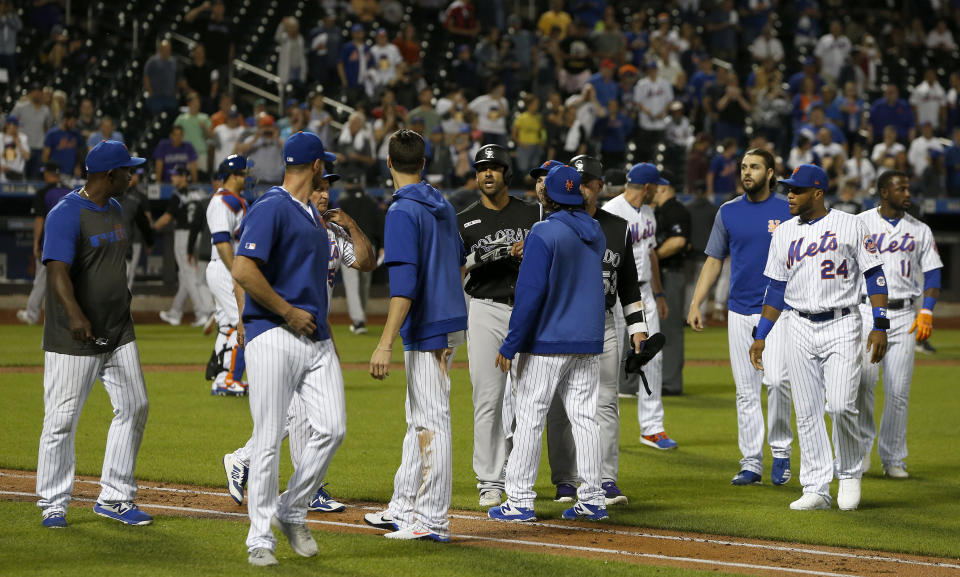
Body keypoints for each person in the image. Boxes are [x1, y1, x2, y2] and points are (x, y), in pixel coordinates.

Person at [222, 164, 374, 516]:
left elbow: (366, 263)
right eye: (320, 187)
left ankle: (255, 464)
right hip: (276, 327)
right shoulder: (282, 217)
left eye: (328, 189)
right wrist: (245, 321)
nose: (325, 194)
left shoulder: (332, 230)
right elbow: (243, 273)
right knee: (297, 414)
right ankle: (295, 490)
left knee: (309, 415)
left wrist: (350, 224)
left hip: (313, 329)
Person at [232, 132, 345, 566]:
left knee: (332, 428)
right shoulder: (272, 206)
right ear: (315, 165)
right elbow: (243, 268)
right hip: (275, 334)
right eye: (325, 165)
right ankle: (260, 538)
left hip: (315, 340)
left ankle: (291, 507)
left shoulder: (311, 215)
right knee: (266, 440)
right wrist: (285, 311)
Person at [749, 164, 889, 511]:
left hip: (842, 322)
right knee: (808, 410)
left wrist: (881, 323)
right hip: (798, 324)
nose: (789, 196)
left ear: (818, 192)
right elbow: (776, 289)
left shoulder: (851, 225)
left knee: (841, 404)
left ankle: (850, 473)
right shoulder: (783, 233)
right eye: (788, 189)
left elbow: (874, 274)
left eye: (796, 190)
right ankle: (816, 486)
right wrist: (761, 335)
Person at [36, 140, 152, 529]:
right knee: (61, 420)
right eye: (127, 170)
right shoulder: (66, 213)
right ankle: (53, 502)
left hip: (118, 330)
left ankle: (115, 497)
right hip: (76, 337)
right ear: (108, 175)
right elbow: (56, 272)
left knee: (134, 406)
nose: (132, 175)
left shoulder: (117, 208)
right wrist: (74, 315)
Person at [487, 163, 608, 522]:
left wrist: (510, 344)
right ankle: (593, 497)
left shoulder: (543, 232)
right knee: (585, 419)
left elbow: (530, 294)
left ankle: (520, 499)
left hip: (547, 340)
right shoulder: (596, 230)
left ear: (549, 195)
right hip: (587, 340)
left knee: (529, 418)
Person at [364, 129, 468, 542]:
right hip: (450, 320)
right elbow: (460, 256)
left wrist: (385, 342)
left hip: (428, 327)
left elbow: (403, 287)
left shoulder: (401, 211)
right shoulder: (441, 202)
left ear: (388, 163)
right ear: (423, 164)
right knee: (419, 418)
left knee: (430, 422)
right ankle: (404, 506)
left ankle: (432, 520)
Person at [545, 155, 648, 507]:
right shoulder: (553, 224)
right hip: (557, 321)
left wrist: (638, 329)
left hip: (602, 322)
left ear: (599, 186)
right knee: (559, 406)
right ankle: (565, 481)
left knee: (605, 402)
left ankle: (605, 480)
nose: (579, 186)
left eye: (586, 181)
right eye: (575, 180)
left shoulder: (617, 228)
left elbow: (629, 285)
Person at [687, 148, 794, 485]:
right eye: (744, 167)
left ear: (772, 173)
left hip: (780, 311)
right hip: (739, 310)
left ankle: (780, 451)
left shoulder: (788, 209)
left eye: (755, 167)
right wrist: (696, 303)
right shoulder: (728, 212)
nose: (747, 173)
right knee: (746, 391)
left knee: (777, 381)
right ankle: (751, 463)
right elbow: (714, 260)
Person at [457, 145, 540, 507]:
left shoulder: (533, 211)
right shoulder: (465, 219)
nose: (487, 173)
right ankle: (490, 479)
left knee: (531, 400)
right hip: (486, 309)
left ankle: (520, 475)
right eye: (481, 169)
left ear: (507, 172)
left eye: (494, 167)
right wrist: (494, 253)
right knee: (488, 398)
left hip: (529, 310)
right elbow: (456, 268)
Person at [853, 170, 943, 479]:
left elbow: (932, 275)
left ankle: (892, 457)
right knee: (863, 383)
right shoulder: (861, 223)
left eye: (908, 187)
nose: (908, 193)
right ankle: (863, 449)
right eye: (900, 188)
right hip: (866, 312)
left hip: (905, 315)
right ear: (883, 192)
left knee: (899, 391)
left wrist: (927, 311)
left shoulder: (920, 230)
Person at [603, 163, 676, 450]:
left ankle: (652, 428)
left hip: (644, 291)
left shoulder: (648, 212)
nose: (659, 190)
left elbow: (651, 255)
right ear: (646, 187)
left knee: (652, 357)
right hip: (616, 292)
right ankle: (606, 426)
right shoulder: (611, 210)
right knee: (611, 359)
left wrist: (658, 293)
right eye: (656, 186)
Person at [203, 155, 250, 397]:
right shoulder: (222, 201)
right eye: (243, 173)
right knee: (242, 322)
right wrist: (237, 272)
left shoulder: (234, 200)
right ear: (233, 176)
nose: (246, 177)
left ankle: (222, 375)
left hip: (224, 266)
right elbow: (222, 242)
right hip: (225, 266)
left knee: (227, 325)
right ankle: (229, 379)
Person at [154, 166, 214, 327]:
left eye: (176, 176)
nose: (173, 179)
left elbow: (166, 218)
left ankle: (202, 313)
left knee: (189, 276)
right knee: (184, 277)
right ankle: (175, 312)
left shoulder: (177, 195)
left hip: (183, 236)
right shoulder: (199, 193)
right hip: (198, 234)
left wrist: (152, 228)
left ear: (184, 177)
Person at [17, 163, 72, 325]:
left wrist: (36, 243)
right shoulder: (71, 191)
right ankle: (67, 316)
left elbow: (40, 219)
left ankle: (32, 314)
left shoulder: (44, 192)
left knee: (41, 280)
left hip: (50, 243)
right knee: (67, 280)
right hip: (70, 243)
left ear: (48, 174)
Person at [652, 175, 691, 395]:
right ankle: (661, 380)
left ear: (663, 188)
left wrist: (653, 258)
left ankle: (671, 383)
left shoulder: (675, 210)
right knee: (659, 329)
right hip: (661, 275)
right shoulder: (661, 210)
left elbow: (678, 241)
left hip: (671, 274)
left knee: (670, 330)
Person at [336, 180, 385, 334]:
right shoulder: (371, 202)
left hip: (348, 245)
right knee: (364, 286)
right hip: (368, 246)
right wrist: (382, 246)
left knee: (353, 284)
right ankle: (360, 319)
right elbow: (380, 225)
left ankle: (358, 321)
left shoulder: (343, 202)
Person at [120, 168, 154, 290]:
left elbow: (147, 221)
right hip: (119, 240)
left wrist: (148, 241)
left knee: (130, 273)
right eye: (135, 175)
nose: (137, 178)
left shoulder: (141, 197)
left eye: (138, 176)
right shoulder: (115, 194)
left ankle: (124, 302)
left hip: (136, 240)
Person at [41, 107, 83, 177]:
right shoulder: (52, 134)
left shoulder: (76, 134)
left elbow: (78, 152)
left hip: (71, 174)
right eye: (72, 122)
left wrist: (77, 166)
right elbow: (45, 157)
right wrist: (49, 172)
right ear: (65, 120)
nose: (74, 124)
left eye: (75, 122)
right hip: (56, 174)